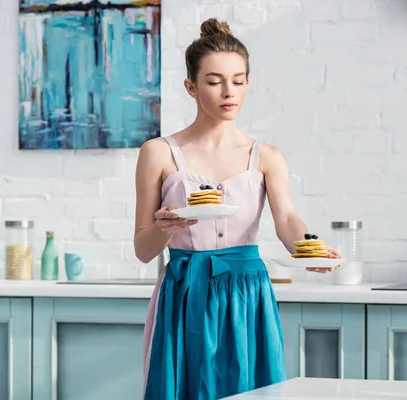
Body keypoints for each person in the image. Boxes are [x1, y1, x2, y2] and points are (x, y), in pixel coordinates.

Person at [134, 18, 341, 399]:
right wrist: (165, 227)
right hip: (184, 291)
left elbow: (288, 221)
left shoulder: (266, 156)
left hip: (247, 293)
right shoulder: (159, 153)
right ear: (191, 87)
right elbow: (143, 250)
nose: (229, 92)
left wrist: (310, 250)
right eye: (214, 82)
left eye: (239, 80)